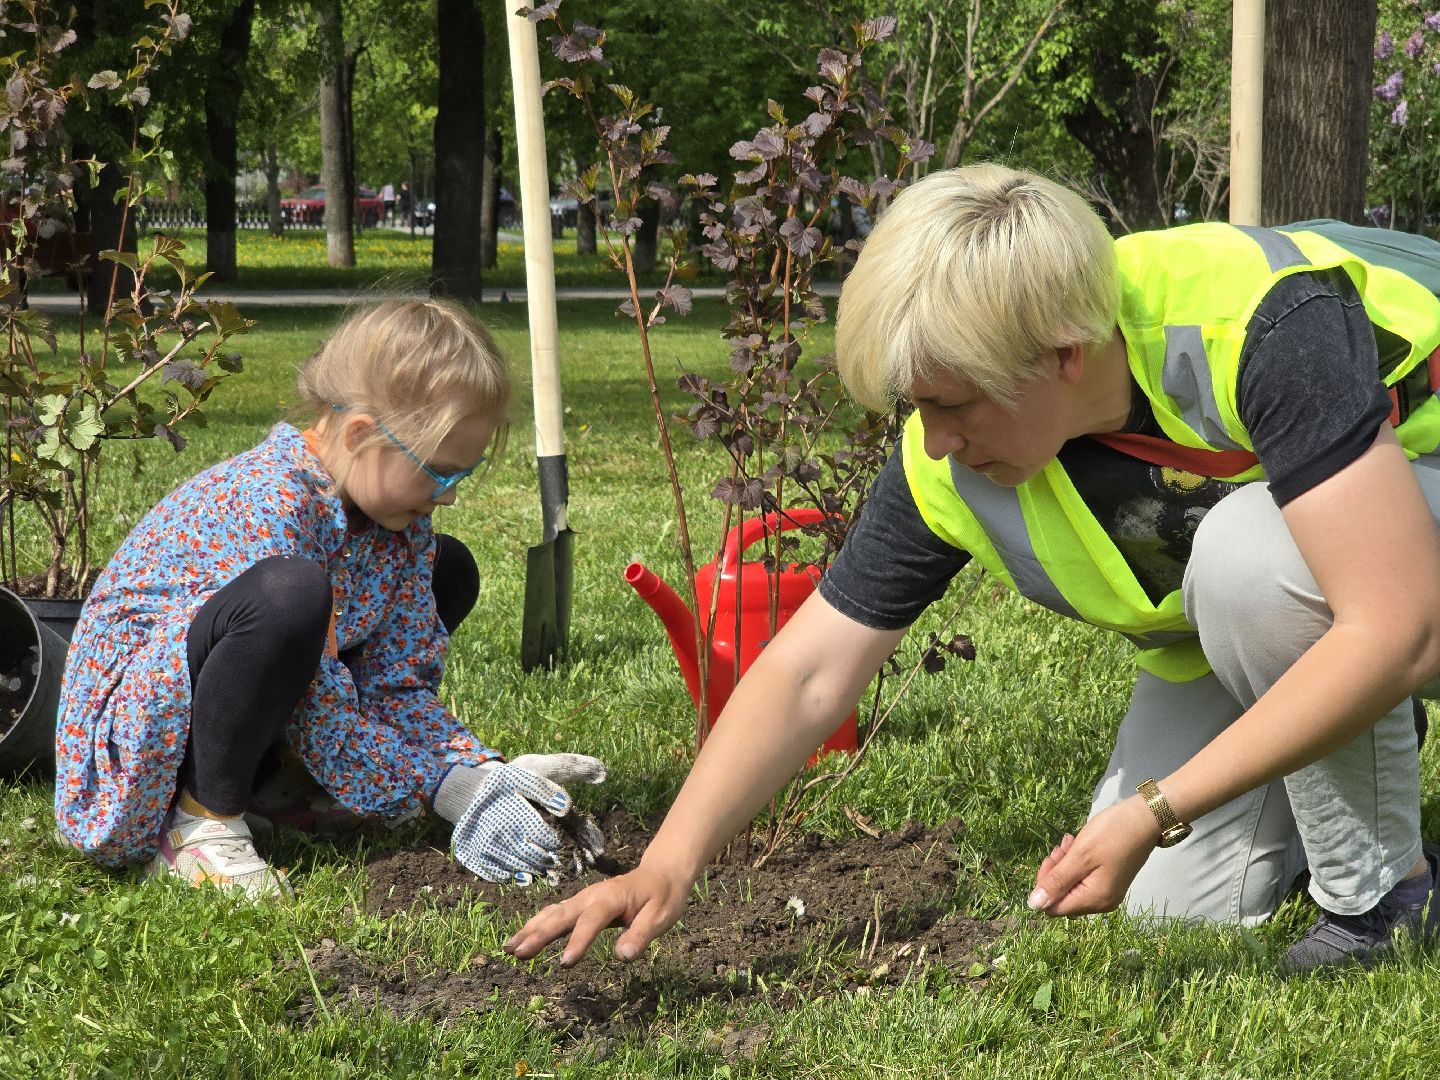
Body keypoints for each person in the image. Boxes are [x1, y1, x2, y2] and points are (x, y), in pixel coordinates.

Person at [506, 164, 1440, 974]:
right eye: (918, 406)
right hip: (1296, 610)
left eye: (954, 405)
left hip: (1399, 578)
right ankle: (1352, 754)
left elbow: (1394, 626)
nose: (937, 441)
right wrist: (665, 862)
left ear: (1064, 352)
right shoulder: (943, 456)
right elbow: (808, 671)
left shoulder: (1266, 325)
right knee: (1164, 910)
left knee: (1251, 557)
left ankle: (1381, 900)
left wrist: (1156, 807)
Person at [54, 299, 604, 898]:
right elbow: (321, 702)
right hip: (135, 743)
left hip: (249, 701)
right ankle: (199, 822)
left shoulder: (398, 521)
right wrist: (444, 787)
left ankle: (287, 788)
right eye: (439, 472)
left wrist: (477, 767)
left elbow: (398, 682)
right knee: (291, 595)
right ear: (362, 434)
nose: (447, 495)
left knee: (452, 568)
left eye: (461, 477)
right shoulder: (269, 501)